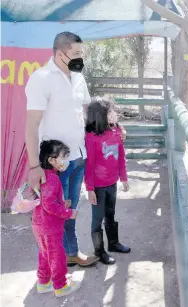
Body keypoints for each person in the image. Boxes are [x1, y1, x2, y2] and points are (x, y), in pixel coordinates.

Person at [25, 32, 100, 267]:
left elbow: (85, 110)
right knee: (51, 216)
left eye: (82, 53)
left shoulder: (78, 77)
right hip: (55, 164)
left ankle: (71, 252)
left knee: (70, 211)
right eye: (76, 54)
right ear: (60, 54)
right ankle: (49, 268)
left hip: (78, 158)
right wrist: (34, 166)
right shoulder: (41, 78)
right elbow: (31, 125)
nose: (81, 58)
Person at [32, 140, 81, 297]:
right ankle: (60, 286)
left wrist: (62, 203)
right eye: (63, 157)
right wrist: (68, 213)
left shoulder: (44, 175)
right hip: (50, 227)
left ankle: (43, 282)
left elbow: (47, 200)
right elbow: (49, 206)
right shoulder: (52, 178)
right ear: (52, 160)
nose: (66, 161)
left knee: (45, 253)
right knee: (57, 256)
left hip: (39, 224)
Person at [85, 98, 131, 265]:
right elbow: (88, 165)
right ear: (100, 116)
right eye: (110, 112)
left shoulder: (116, 132)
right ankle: (99, 251)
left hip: (112, 183)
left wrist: (123, 177)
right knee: (97, 219)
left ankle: (113, 243)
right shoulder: (91, 138)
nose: (115, 114)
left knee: (110, 214)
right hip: (97, 186)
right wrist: (89, 188)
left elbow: (121, 157)